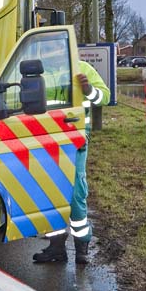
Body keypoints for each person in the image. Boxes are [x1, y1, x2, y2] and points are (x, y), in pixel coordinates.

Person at [34, 60, 110, 265]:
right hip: (47, 139)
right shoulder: (42, 70)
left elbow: (105, 96)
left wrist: (89, 89)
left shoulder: (82, 68)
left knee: (76, 192)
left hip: (75, 138)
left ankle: (81, 246)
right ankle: (56, 247)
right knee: (50, 192)